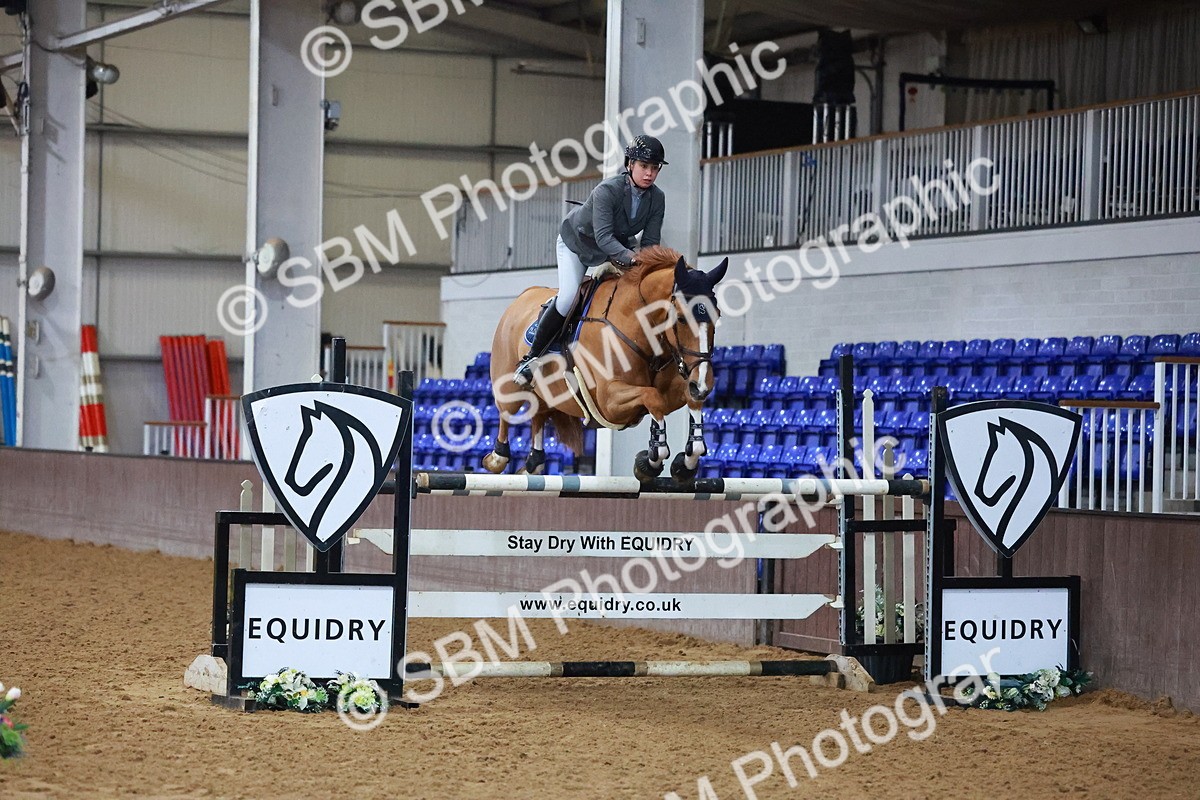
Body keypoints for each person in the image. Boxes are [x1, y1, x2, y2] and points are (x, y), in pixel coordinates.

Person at [513, 135, 668, 386]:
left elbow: (650, 242)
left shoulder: (657, 198)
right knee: (568, 296)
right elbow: (604, 236)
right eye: (644, 166)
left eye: (654, 168)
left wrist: (648, 266)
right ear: (630, 164)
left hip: (614, 248)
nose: (649, 174)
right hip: (578, 243)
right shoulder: (607, 190)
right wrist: (632, 258)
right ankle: (530, 359)